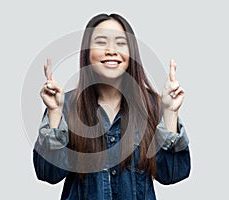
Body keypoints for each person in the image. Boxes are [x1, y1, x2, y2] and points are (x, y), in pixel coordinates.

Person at [33, 13, 190, 200]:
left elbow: (173, 174)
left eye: (120, 43)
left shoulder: (152, 105)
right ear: (87, 52)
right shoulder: (65, 105)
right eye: (101, 42)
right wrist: (54, 113)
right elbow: (48, 174)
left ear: (131, 53)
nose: (111, 50)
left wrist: (170, 114)